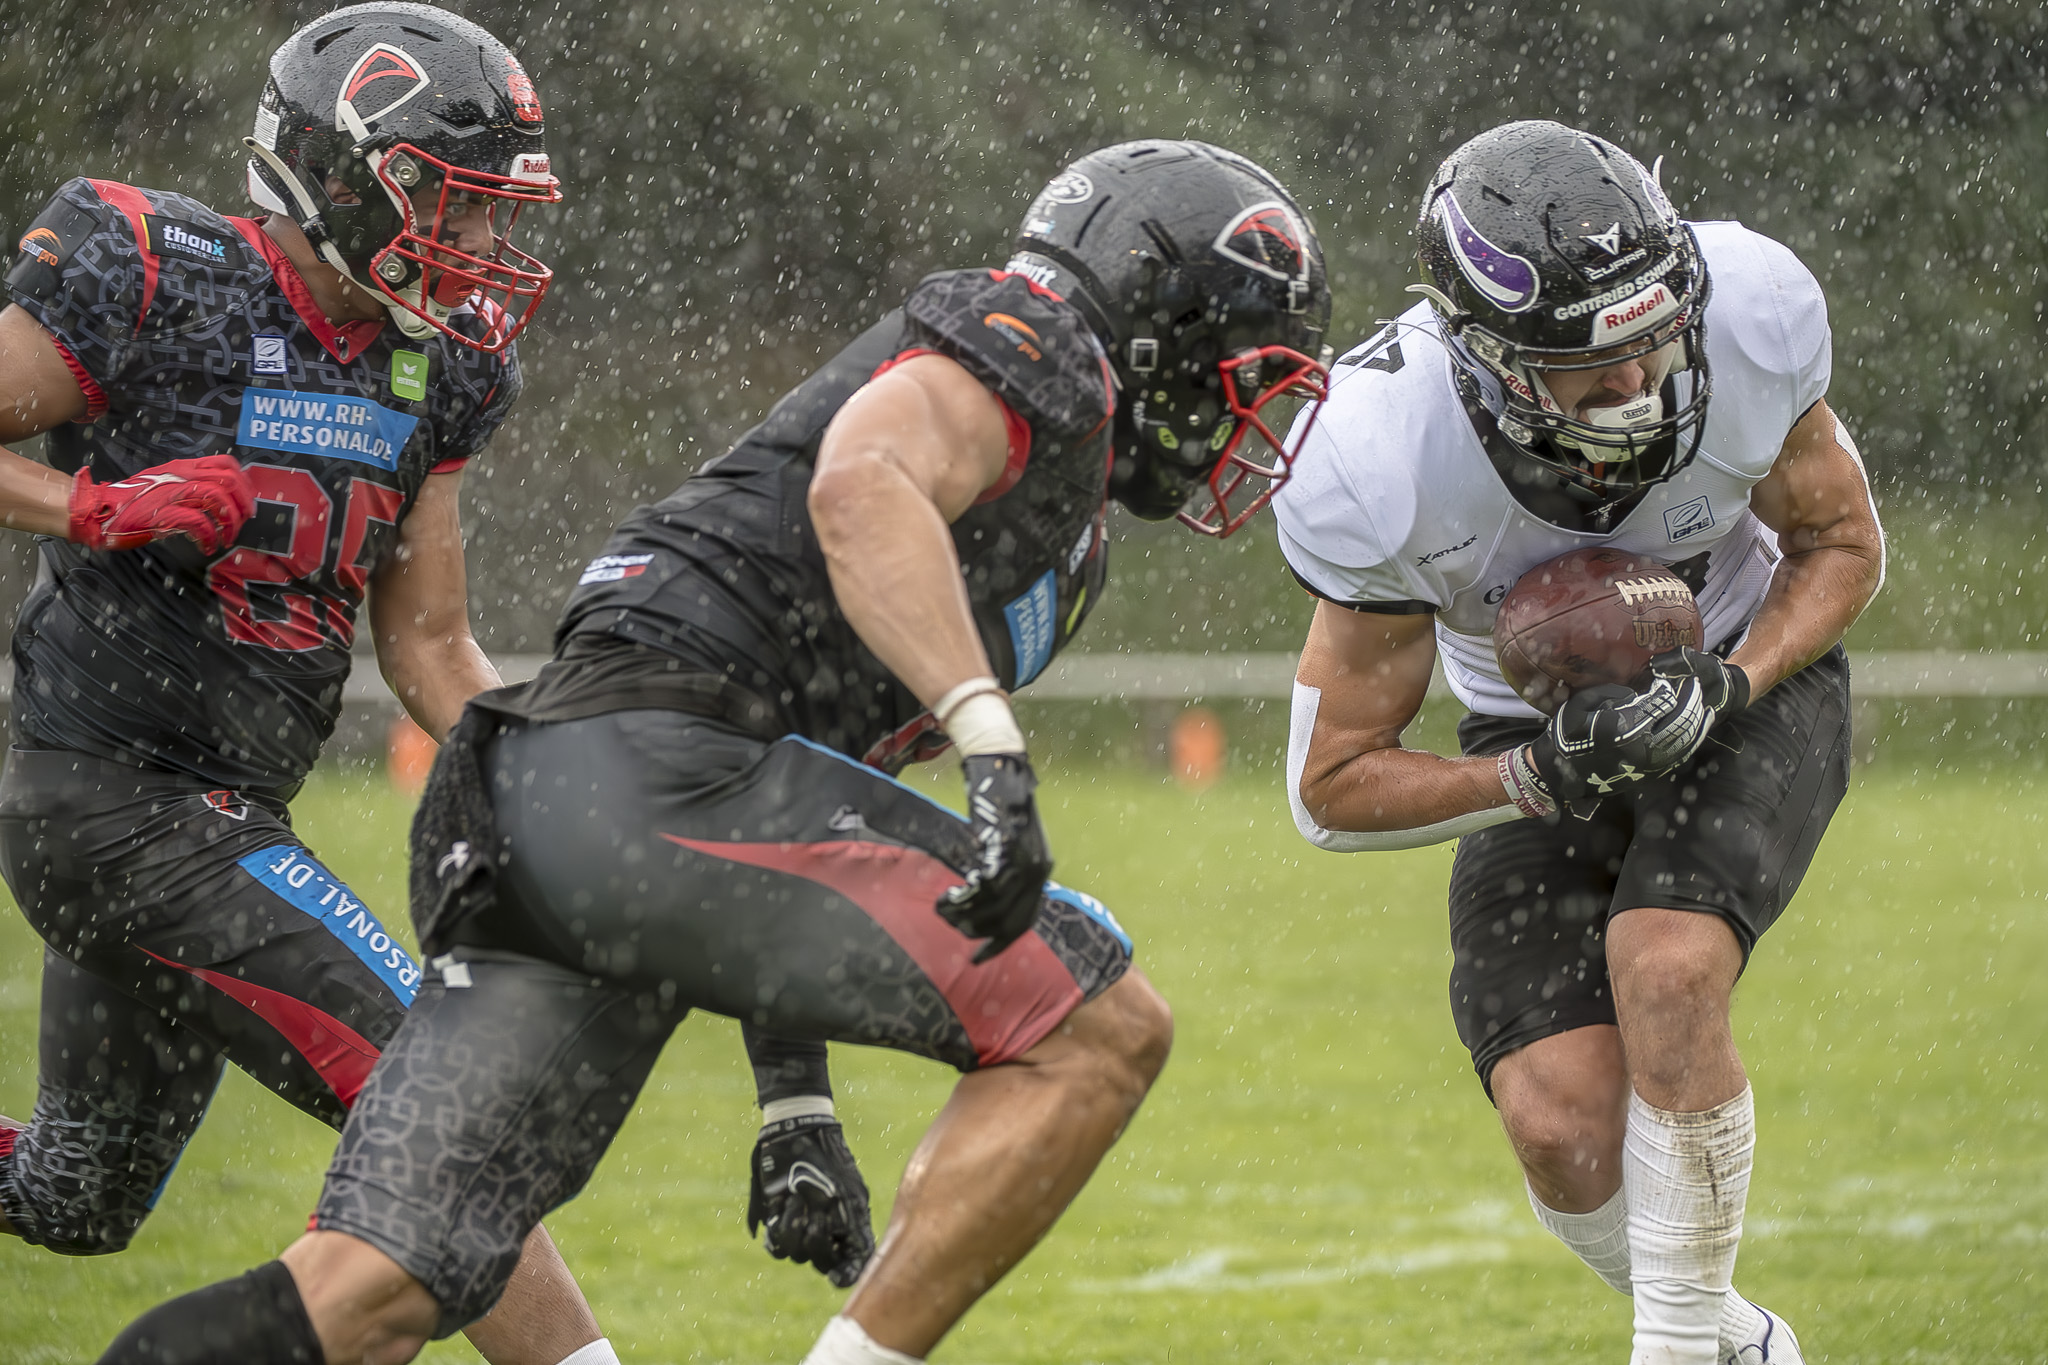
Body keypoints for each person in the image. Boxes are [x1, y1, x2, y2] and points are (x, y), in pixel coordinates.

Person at [97, 138, 1334, 1365]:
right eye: (1244, 366)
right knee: (1098, 1027)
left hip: (546, 802)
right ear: (1162, 317)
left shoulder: (1065, 521)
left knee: (368, 1293)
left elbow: (816, 787)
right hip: (647, 769)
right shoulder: (1041, 339)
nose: (1246, 410)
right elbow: (862, 483)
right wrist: (989, 742)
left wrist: (792, 1095)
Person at [0, 7, 621, 1362]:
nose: (487, 251)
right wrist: (92, 505)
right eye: (458, 206)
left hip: (228, 817)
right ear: (347, 178)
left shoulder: (436, 357)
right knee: (439, 1098)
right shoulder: (156, 271)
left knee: (74, 1198)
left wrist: (584, 779)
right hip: (110, 802)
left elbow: (431, 646)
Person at [1276, 120, 1884, 1365]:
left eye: (1654, 340)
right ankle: (1738, 1343)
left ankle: (1668, 1351)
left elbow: (1839, 547)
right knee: (1557, 1126)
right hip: (1525, 725)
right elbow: (1328, 787)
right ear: (1488, 362)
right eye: (1588, 368)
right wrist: (1535, 773)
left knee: (1662, 968)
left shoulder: (1750, 314)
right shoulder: (1381, 460)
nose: (1641, 386)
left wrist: (1726, 682)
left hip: (1742, 667)